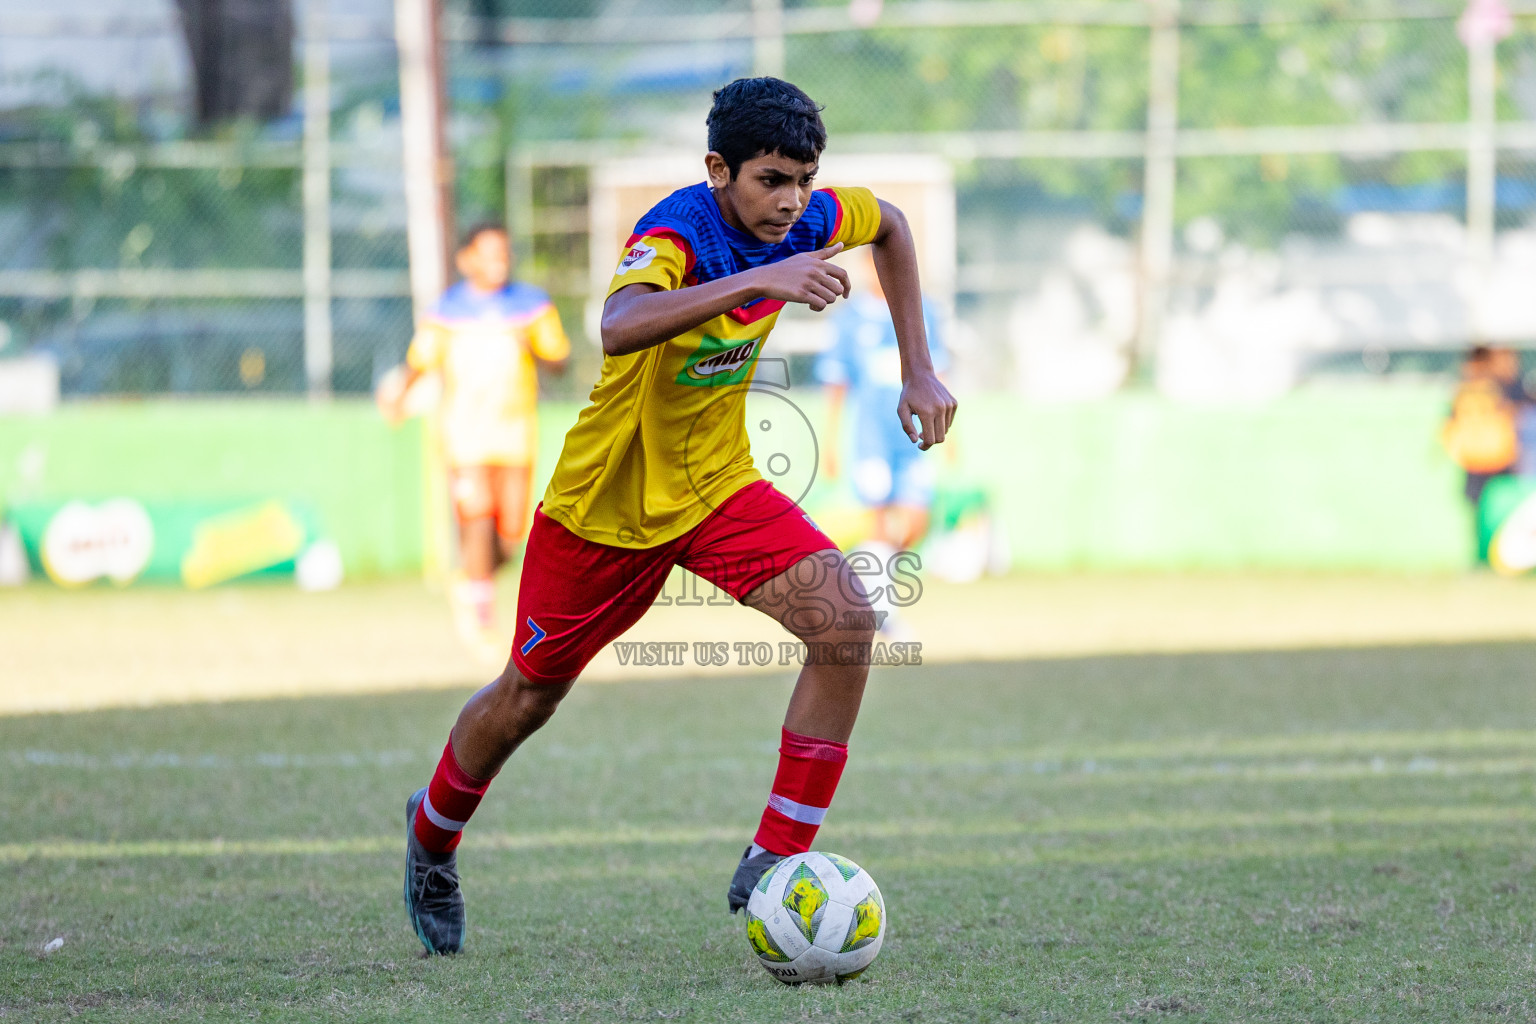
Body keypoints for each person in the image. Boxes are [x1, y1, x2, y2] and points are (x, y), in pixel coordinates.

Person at [401, 77, 957, 956]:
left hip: (716, 488)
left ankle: (779, 853)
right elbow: (618, 325)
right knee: (527, 697)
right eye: (771, 179)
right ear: (718, 170)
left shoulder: (809, 219)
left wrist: (917, 369)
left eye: (805, 179)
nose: (792, 201)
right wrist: (766, 277)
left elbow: (890, 222)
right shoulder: (676, 231)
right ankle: (431, 838)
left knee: (848, 619)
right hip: (605, 507)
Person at [377, 223, 570, 657]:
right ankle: (482, 622)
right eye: (488, 253)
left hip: (516, 436)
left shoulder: (531, 306)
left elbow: (559, 361)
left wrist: (534, 349)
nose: (498, 261)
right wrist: (398, 398)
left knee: (509, 538)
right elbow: (419, 363)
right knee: (477, 521)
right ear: (466, 259)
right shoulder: (447, 311)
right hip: (464, 437)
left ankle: (469, 582)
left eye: (503, 252)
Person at [818, 247, 949, 555]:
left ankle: (880, 568)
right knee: (874, 519)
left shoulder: (923, 312)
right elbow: (836, 388)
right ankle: (876, 592)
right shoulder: (849, 320)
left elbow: (940, 375)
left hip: (916, 438)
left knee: (917, 520)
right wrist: (830, 444)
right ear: (866, 266)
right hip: (870, 437)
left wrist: (951, 434)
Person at [1442, 344, 1520, 563]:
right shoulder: (1466, 390)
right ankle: (1483, 556)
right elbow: (1450, 425)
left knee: (1504, 510)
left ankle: (1503, 557)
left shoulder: (1499, 388)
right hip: (1477, 459)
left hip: (1498, 457)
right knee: (1478, 511)